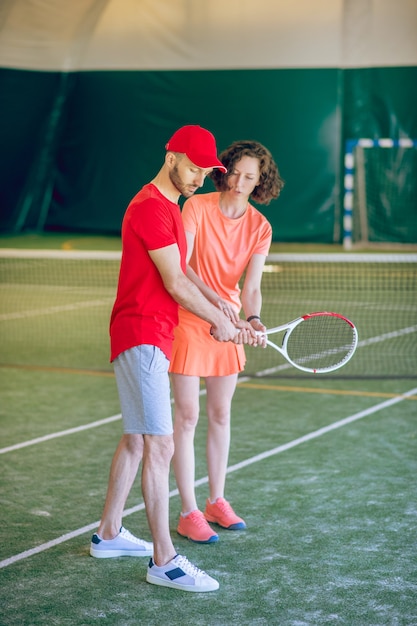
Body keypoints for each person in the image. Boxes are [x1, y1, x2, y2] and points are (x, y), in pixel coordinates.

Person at [89, 125, 259, 593]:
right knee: (160, 444)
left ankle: (107, 534)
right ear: (170, 157)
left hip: (153, 334)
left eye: (206, 172)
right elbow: (173, 283)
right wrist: (218, 323)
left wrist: (226, 307)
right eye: (192, 168)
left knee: (137, 441)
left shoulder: (170, 206)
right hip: (142, 331)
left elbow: (186, 272)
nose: (199, 179)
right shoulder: (150, 207)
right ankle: (165, 560)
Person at [169, 140, 284, 543]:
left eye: (249, 177)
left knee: (220, 415)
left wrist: (251, 319)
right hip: (189, 315)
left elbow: (251, 287)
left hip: (231, 324)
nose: (239, 182)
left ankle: (216, 501)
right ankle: (187, 511)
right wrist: (215, 304)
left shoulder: (260, 228)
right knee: (186, 417)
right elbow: (180, 266)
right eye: (234, 172)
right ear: (224, 170)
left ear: (260, 182)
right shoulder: (197, 207)